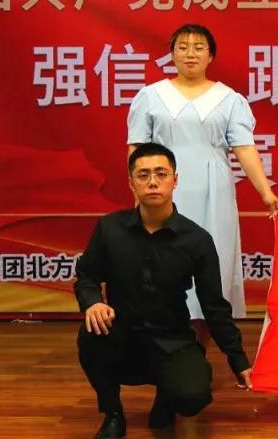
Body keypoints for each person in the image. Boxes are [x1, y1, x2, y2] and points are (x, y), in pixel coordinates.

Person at [76, 143, 252, 438]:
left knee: (194, 396)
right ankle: (113, 413)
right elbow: (86, 275)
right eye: (143, 175)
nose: (153, 182)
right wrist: (92, 302)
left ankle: (167, 397)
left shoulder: (196, 240)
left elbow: (214, 305)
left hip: (172, 339)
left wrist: (238, 360)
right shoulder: (109, 228)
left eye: (161, 173)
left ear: (175, 180)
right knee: (91, 335)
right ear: (131, 183)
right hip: (122, 334)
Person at [127, 24, 278, 337]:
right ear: (171, 55)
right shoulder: (151, 96)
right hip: (163, 188)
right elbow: (137, 147)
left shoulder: (228, 99)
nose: (190, 54)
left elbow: (244, 148)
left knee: (211, 264)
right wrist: (139, 190)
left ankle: (200, 346)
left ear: (210, 56)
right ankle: (165, 345)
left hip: (215, 190)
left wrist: (266, 192)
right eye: (182, 47)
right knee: (162, 262)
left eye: (199, 47)